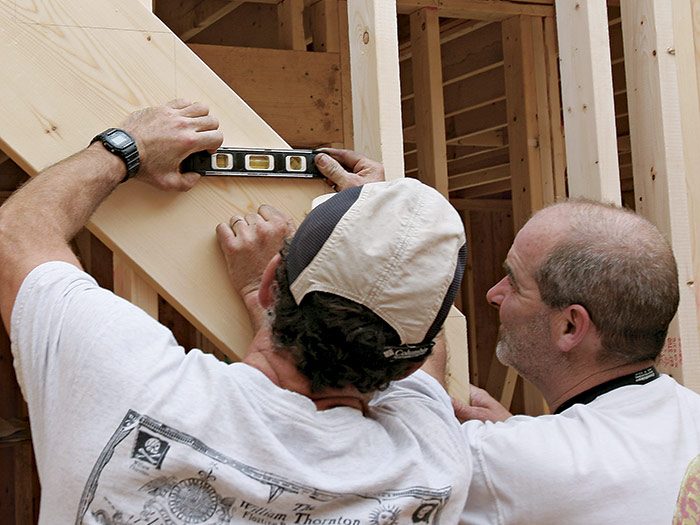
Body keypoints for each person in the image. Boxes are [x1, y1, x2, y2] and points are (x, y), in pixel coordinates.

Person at [0, 101, 472, 524]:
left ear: (271, 285)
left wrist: (124, 147)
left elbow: (14, 239)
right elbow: (425, 358)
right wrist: (386, 233)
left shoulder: (130, 385)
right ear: (408, 365)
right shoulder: (434, 471)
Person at [316, 148, 700, 525]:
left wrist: (376, 229)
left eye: (514, 284)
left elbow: (389, 461)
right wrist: (525, 441)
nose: (493, 294)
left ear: (570, 327)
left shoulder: (525, 464)